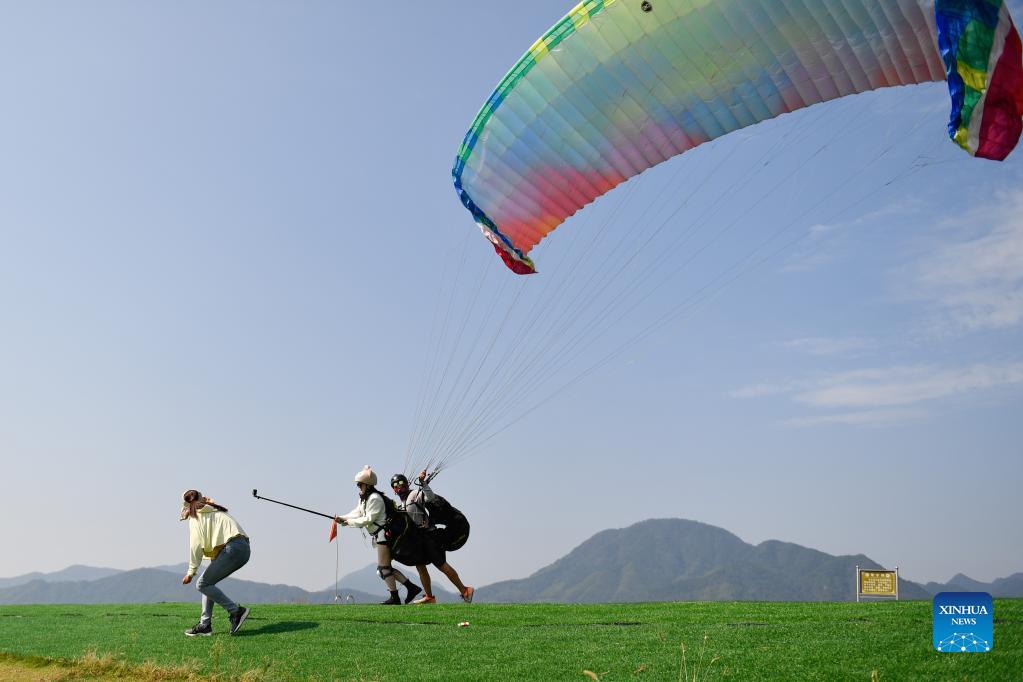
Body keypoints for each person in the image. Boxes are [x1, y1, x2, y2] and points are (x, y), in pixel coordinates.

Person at [335, 466, 422, 605]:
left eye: (360, 485)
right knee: (384, 568)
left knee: (383, 568)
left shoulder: (374, 498)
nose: (358, 487)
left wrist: (347, 522)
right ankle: (409, 588)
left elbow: (367, 519)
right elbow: (358, 512)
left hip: (384, 536)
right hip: (380, 536)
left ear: (368, 485)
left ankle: (396, 597)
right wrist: (342, 518)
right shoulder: (365, 498)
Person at [391, 471, 474, 604]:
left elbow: (430, 497)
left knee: (441, 565)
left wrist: (423, 483)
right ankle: (429, 597)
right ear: (393, 489)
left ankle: (465, 590)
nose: (399, 487)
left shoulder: (414, 495)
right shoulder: (402, 504)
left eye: (401, 484)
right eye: (395, 485)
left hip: (431, 537)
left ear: (407, 484)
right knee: (420, 565)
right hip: (421, 539)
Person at [179, 490, 251, 636]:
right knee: (207, 583)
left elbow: (195, 547)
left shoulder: (196, 519)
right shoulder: (212, 509)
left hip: (233, 548)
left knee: (202, 584)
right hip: (242, 548)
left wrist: (190, 572)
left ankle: (236, 611)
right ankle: (205, 625)